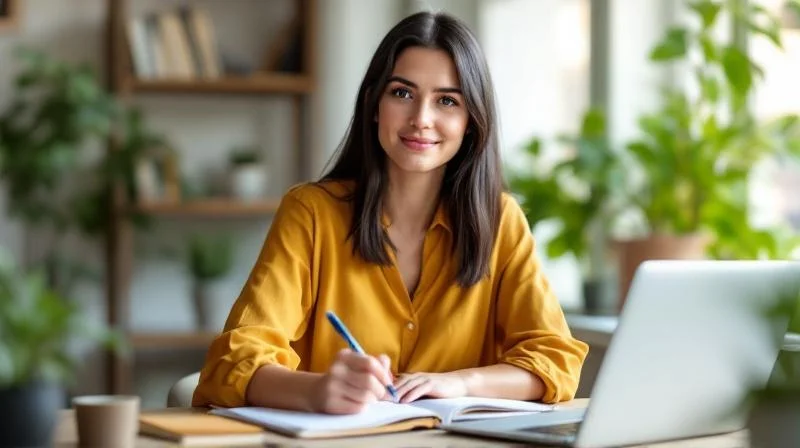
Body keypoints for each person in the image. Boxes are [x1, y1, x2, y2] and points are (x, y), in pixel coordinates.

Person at [192, 11, 588, 414]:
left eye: (447, 101)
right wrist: (316, 391)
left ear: (471, 121)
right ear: (374, 104)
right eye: (402, 93)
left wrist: (461, 383)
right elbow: (234, 360)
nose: (421, 119)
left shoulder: (501, 221)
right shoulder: (311, 213)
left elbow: (554, 361)